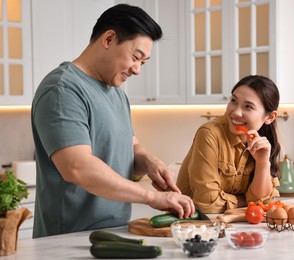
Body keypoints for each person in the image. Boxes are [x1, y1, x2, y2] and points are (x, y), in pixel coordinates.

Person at [31, 4, 195, 238]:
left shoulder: (117, 93)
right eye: (135, 57)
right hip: (68, 239)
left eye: (144, 63)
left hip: (113, 233)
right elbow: (77, 167)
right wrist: (152, 196)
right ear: (108, 39)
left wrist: (150, 163)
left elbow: (130, 146)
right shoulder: (62, 89)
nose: (137, 70)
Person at [176, 75, 281, 213]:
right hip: (192, 226)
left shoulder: (262, 143)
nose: (236, 112)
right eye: (233, 101)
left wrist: (262, 163)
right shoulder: (209, 134)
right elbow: (207, 203)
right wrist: (246, 200)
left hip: (234, 226)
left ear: (270, 117)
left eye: (248, 106)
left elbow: (263, 202)